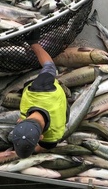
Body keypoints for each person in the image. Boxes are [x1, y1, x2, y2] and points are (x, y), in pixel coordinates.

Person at [10, 29, 68, 158]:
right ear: (19, 121)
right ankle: (33, 42)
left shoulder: (53, 138)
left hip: (61, 112)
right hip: (52, 95)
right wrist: (33, 43)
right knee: (50, 68)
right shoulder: (38, 90)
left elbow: (40, 148)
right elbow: (49, 66)